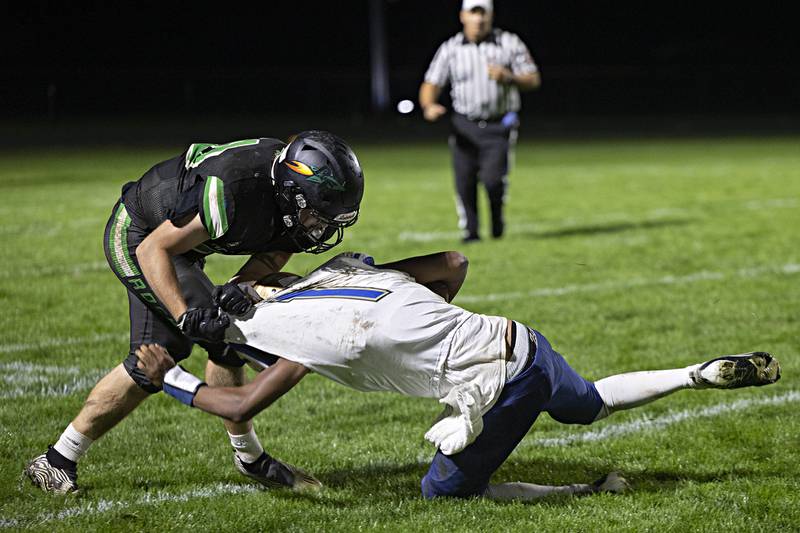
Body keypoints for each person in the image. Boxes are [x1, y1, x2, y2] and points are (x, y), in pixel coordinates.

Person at [135, 250, 781, 501]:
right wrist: (405, 297)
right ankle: (696, 372)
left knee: (444, 492)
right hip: (519, 336)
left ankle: (590, 490)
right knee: (590, 404)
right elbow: (453, 262)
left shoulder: (304, 336)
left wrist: (171, 378)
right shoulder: (339, 277)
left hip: (500, 381)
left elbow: (241, 397)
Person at [24, 131, 365, 494]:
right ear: (291, 190)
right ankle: (56, 461)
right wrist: (185, 314)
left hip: (181, 243)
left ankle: (249, 457)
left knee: (227, 337)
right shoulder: (234, 188)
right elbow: (155, 249)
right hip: (142, 236)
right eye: (315, 214)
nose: (320, 227)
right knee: (165, 351)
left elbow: (275, 252)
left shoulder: (283, 194)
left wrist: (242, 284)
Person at [419, 0, 541, 243]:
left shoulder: (509, 42)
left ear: (491, 16)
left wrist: (509, 77)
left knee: (493, 180)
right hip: (464, 124)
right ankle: (471, 232)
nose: (479, 19)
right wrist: (428, 105)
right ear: (463, 16)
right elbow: (431, 82)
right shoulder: (451, 47)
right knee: (464, 181)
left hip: (499, 124)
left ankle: (497, 218)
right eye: (474, 13)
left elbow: (533, 79)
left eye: (482, 13)